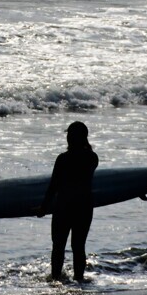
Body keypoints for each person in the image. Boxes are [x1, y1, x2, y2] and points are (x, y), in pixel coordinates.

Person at [38, 121, 99, 283]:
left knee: (58, 246)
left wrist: (44, 207)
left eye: (70, 135)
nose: (67, 138)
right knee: (78, 246)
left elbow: (54, 185)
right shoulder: (92, 158)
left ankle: (56, 279)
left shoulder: (63, 159)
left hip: (64, 206)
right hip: (84, 206)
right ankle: (79, 279)